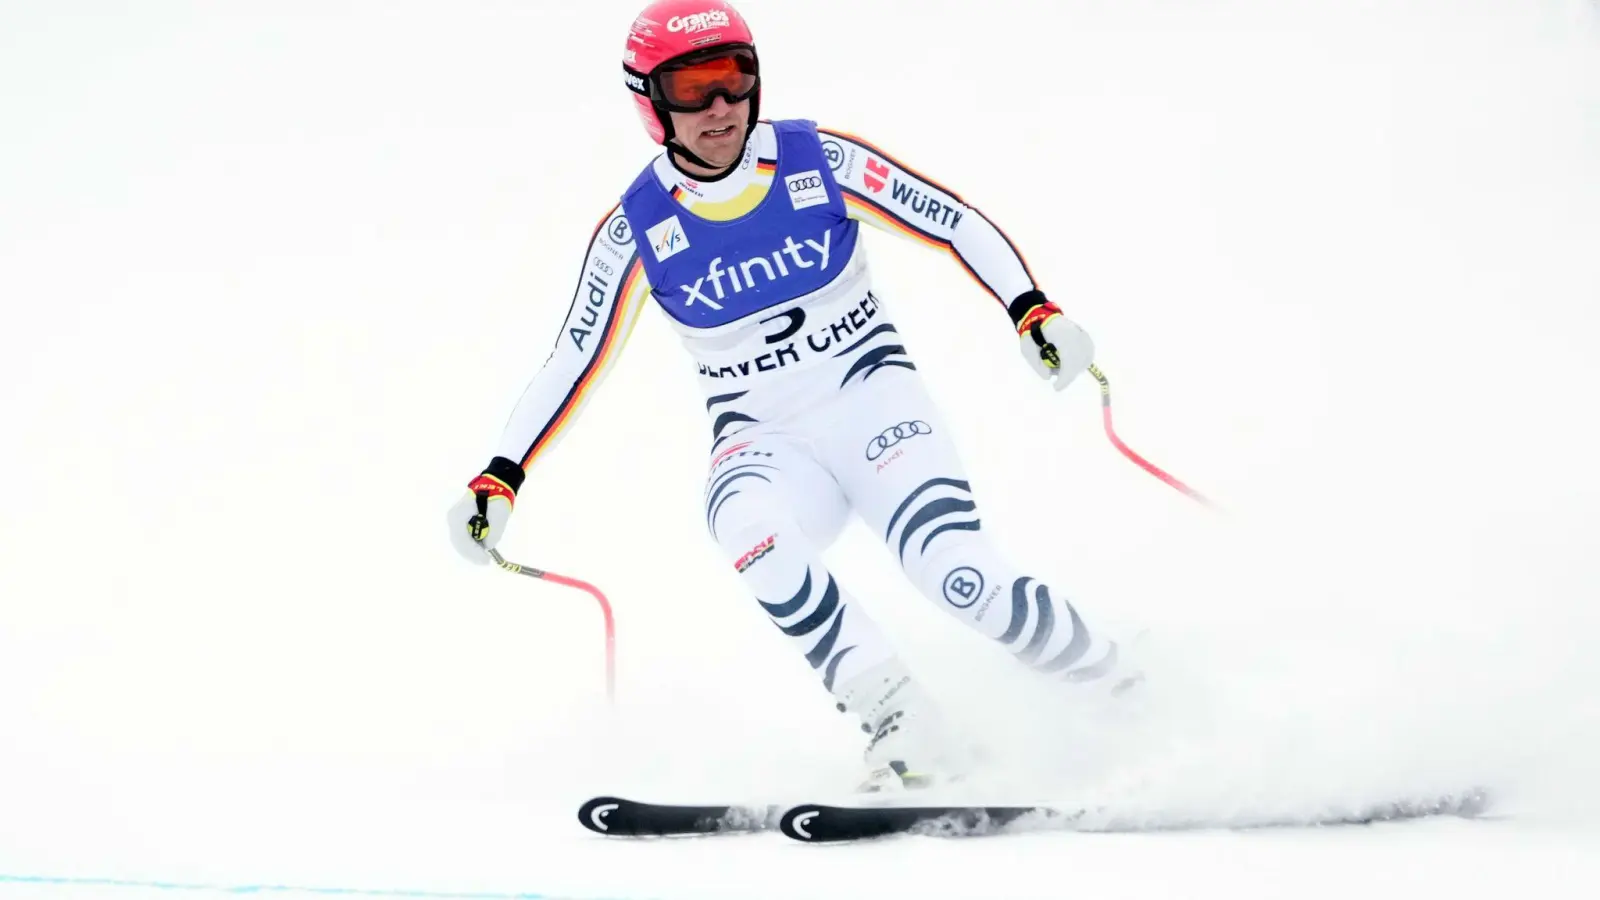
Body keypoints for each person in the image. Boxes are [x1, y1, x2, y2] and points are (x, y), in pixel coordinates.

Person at [448, 0, 1140, 792]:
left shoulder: (819, 163)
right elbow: (573, 358)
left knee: (959, 579)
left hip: (873, 402)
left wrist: (1031, 311)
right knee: (742, 522)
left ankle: (1122, 689)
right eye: (692, 87)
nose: (720, 107)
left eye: (735, 79)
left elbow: (951, 220)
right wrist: (501, 475)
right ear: (651, 104)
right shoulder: (635, 230)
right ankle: (902, 719)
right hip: (765, 437)